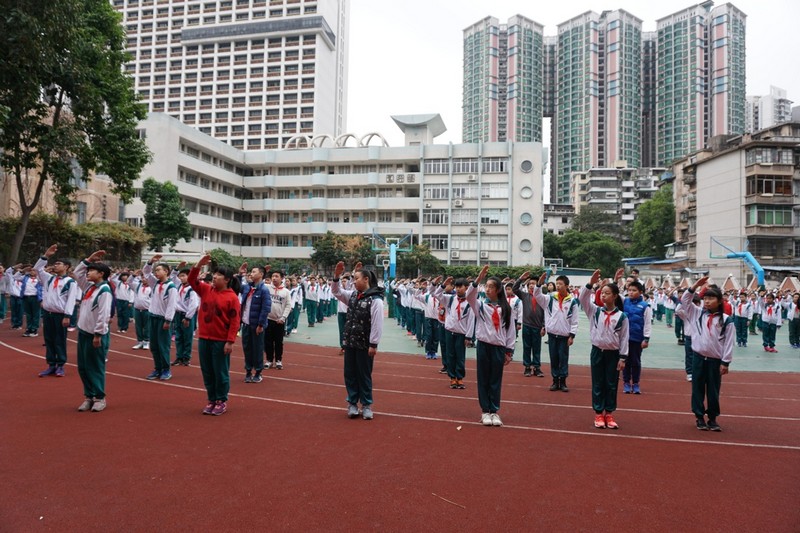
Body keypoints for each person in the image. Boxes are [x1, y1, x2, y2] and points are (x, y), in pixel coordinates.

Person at [189, 254, 241, 416]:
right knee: (207, 370)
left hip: (220, 341)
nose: (215, 277)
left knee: (220, 371)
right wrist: (198, 265)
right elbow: (192, 280)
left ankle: (221, 400)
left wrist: (230, 342)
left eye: (218, 275)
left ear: (226, 280)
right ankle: (211, 399)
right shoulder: (206, 290)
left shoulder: (232, 298)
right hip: (204, 338)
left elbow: (234, 321)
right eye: (215, 274)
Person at [331, 261, 384, 420]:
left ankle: (366, 405)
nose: (353, 281)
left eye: (356, 278)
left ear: (366, 279)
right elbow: (337, 292)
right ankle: (352, 403)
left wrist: (373, 343)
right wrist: (336, 277)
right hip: (350, 342)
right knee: (350, 373)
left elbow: (377, 323)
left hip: (364, 344)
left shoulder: (375, 300)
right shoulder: (353, 295)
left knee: (364, 374)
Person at [681, 279, 734, 431]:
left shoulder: (726, 320)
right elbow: (685, 300)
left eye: (711, 298)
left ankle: (712, 418)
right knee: (697, 388)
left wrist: (726, 362)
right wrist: (695, 286)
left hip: (715, 361)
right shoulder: (696, 313)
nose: (707, 301)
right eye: (705, 298)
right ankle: (699, 417)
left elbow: (729, 342)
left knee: (713, 390)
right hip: (698, 358)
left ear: (719, 301)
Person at [466, 266, 516, 427]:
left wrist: (509, 351)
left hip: (498, 348)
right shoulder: (480, 306)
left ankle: (494, 411)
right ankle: (485, 410)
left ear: (498, 290)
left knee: (495, 379)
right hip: (484, 346)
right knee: (483, 379)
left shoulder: (506, 309)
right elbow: (469, 296)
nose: (487, 289)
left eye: (491, 287)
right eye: (486, 286)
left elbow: (510, 331)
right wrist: (478, 278)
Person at [579, 270, 628, 429]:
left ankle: (609, 413)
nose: (603, 296)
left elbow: (624, 338)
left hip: (613, 354)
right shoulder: (594, 312)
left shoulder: (621, 317)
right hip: (597, 352)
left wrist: (622, 358)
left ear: (615, 296)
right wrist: (590, 283)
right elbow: (583, 299)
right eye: (602, 293)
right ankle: (599, 413)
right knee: (598, 383)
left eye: (607, 293)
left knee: (611, 383)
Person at [73, 250, 114, 412]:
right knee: (82, 366)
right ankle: (88, 396)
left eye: (91, 270)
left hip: (94, 335)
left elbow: (103, 315)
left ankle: (99, 397)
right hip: (83, 332)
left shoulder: (104, 290)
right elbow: (77, 272)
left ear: (101, 274)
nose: (88, 273)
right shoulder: (89, 287)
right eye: (88, 270)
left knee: (95, 366)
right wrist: (89, 259)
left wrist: (98, 334)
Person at [34, 245, 79, 377]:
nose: (55, 266)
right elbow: (37, 268)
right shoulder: (49, 278)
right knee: (49, 339)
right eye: (55, 263)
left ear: (66, 267)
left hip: (60, 315)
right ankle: (51, 364)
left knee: (60, 340)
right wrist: (46, 256)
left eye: (58, 264)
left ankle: (60, 365)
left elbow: (71, 300)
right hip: (48, 314)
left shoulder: (70, 282)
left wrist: (67, 316)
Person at [533, 272, 579, 392]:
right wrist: (539, 284)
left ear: (567, 286)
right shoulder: (550, 298)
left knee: (563, 359)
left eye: (560, 284)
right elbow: (537, 296)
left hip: (564, 336)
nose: (558, 286)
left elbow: (574, 321)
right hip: (552, 335)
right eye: (557, 283)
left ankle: (563, 381)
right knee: (554, 358)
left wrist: (572, 335)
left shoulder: (572, 302)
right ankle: (555, 381)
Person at [431, 277, 474, 389]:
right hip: (449, 332)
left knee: (460, 356)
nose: (458, 289)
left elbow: (470, 321)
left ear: (466, 288)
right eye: (457, 287)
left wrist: (469, 337)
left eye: (461, 287)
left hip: (461, 333)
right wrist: (443, 285)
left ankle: (459, 377)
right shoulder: (449, 299)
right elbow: (436, 294)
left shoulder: (470, 303)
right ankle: (452, 378)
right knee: (450, 355)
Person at [142, 255, 178, 381]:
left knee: (163, 345)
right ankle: (157, 368)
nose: (156, 273)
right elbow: (146, 272)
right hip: (153, 317)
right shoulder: (155, 283)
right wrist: (151, 262)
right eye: (155, 270)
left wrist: (168, 320)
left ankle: (166, 369)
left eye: (159, 270)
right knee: (154, 345)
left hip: (163, 319)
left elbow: (171, 305)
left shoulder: (171, 287)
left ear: (166, 271)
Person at [238, 264, 271, 381]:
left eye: (253, 272)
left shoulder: (264, 290)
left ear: (261, 274)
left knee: (257, 349)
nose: (251, 274)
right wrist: (240, 274)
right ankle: (248, 371)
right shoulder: (247, 287)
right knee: (247, 348)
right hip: (246, 324)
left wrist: (261, 324)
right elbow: (235, 286)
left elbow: (266, 308)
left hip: (256, 326)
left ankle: (258, 372)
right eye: (250, 272)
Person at [512, 273, 546, 378]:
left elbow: (546, 313)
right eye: (530, 284)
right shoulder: (525, 296)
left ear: (538, 285)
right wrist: (520, 279)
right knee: (526, 347)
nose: (531, 285)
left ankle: (536, 367)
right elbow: (514, 289)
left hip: (538, 327)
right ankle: (527, 367)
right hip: (527, 325)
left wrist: (544, 326)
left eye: (534, 284)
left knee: (537, 348)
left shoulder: (543, 298)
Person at [622, 280, 652, 395]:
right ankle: (626, 382)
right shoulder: (624, 302)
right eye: (629, 290)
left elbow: (647, 323)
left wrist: (646, 338)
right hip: (624, 338)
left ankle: (635, 383)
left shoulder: (645, 306)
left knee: (635, 361)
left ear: (640, 292)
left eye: (634, 290)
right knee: (625, 361)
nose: (631, 292)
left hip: (637, 338)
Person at [171, 267, 200, 366]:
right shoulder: (179, 286)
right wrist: (177, 268)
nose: (181, 278)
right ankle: (179, 356)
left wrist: (188, 317)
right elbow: (173, 277)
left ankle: (186, 357)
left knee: (187, 337)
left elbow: (193, 304)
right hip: (178, 314)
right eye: (180, 276)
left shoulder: (191, 289)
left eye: (183, 276)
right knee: (178, 337)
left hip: (186, 315)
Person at [265, 268, 292, 370]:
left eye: (277, 276)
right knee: (268, 341)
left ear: (282, 278)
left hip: (279, 321)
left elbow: (288, 306)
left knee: (278, 342)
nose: (274, 278)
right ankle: (269, 360)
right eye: (273, 276)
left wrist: (283, 317)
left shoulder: (286, 292)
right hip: (268, 319)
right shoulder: (267, 288)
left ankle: (278, 360)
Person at [130, 273, 151, 350]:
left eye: (146, 278)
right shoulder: (137, 286)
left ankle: (146, 341)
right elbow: (129, 282)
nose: (144, 279)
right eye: (143, 278)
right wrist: (133, 275)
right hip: (137, 310)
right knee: (138, 326)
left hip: (147, 310)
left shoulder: (152, 287)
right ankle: (139, 342)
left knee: (147, 326)